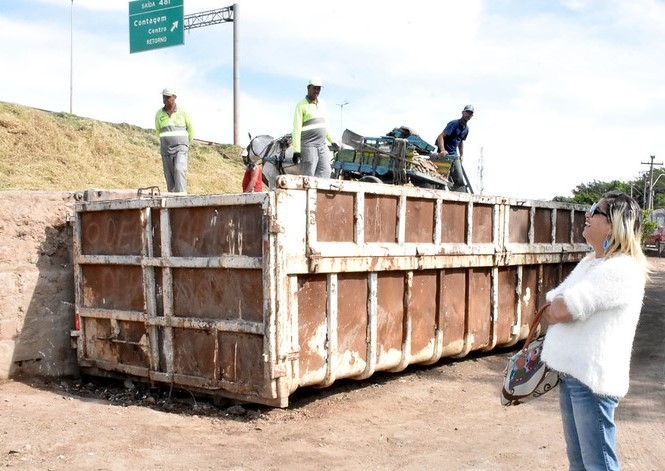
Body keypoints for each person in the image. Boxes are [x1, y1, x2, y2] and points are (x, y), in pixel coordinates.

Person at [541, 190, 649, 471]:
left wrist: (559, 308)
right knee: (579, 463)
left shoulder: (622, 269)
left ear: (613, 225)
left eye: (595, 210)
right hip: (574, 375)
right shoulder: (592, 263)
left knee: (597, 464)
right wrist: (558, 307)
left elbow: (561, 309)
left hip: (592, 382)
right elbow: (553, 302)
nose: (587, 215)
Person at [292, 77, 338, 178]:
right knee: (308, 175)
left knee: (325, 171)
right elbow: (296, 128)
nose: (317, 91)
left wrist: (333, 141)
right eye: (315, 88)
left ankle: (319, 194)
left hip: (322, 145)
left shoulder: (322, 104)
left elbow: (324, 125)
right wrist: (296, 150)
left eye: (319, 89)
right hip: (309, 145)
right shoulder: (301, 105)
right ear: (308, 88)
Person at [155, 88, 194, 193]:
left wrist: (185, 144)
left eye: (168, 97)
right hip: (166, 148)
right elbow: (158, 130)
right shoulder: (159, 114)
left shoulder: (183, 112)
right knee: (169, 175)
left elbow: (191, 129)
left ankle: (181, 195)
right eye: (164, 97)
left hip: (181, 147)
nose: (165, 99)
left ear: (174, 97)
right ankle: (172, 197)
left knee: (179, 169)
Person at [435, 104, 474, 192]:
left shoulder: (466, 129)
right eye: (467, 112)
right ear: (463, 112)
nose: (468, 115)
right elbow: (440, 136)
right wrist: (442, 150)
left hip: (454, 155)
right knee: (441, 178)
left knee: (459, 179)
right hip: (444, 154)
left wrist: (462, 155)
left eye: (470, 114)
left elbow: (460, 142)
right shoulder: (453, 124)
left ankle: (459, 197)